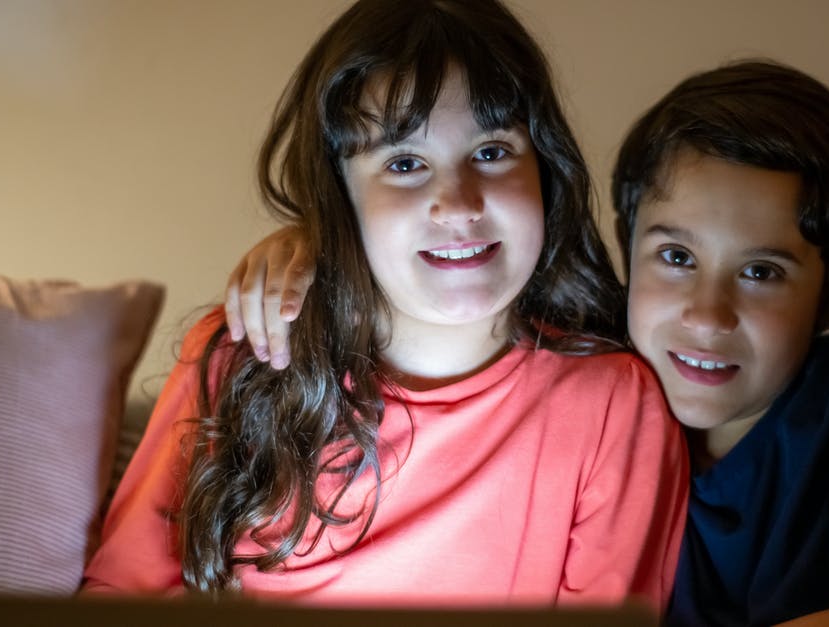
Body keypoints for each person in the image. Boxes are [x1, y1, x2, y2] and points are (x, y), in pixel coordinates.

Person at [228, 60, 829, 625]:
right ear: (626, 253)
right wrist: (314, 246)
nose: (706, 312)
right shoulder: (604, 413)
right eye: (674, 256)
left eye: (763, 272)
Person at [82, 0, 689, 611]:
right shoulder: (243, 352)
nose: (459, 204)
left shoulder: (613, 406)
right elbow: (122, 595)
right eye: (405, 164)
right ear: (338, 197)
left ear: (545, 168)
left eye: (491, 152)